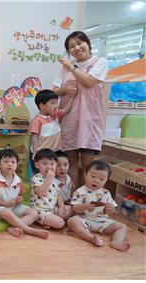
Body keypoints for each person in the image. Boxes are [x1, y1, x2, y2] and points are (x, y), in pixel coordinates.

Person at [53, 31, 109, 186]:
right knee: (69, 163)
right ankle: (71, 200)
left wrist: (71, 67)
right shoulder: (64, 69)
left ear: (88, 43)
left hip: (89, 121)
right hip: (69, 120)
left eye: (79, 43)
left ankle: (88, 200)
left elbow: (89, 82)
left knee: (88, 164)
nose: (77, 48)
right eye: (72, 46)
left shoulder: (100, 62)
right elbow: (55, 90)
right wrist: (65, 90)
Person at [67, 160, 130, 251]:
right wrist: (85, 206)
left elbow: (112, 212)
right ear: (85, 175)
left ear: (106, 180)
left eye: (101, 179)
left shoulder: (106, 193)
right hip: (84, 219)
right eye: (93, 176)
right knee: (71, 221)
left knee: (122, 226)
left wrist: (110, 208)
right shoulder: (80, 191)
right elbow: (75, 209)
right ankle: (91, 238)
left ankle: (117, 241)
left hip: (101, 220)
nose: (96, 180)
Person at [0, 149, 49, 239]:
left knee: (34, 213)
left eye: (13, 162)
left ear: (17, 165)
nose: (10, 164)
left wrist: (20, 199)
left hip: (14, 206)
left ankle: (12, 227)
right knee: (7, 212)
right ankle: (29, 230)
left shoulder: (18, 180)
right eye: (6, 161)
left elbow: (21, 195)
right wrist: (5, 204)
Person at [30, 89, 74, 159]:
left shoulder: (54, 115)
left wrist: (71, 97)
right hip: (41, 154)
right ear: (42, 106)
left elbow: (66, 110)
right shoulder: (37, 120)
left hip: (55, 152)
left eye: (56, 103)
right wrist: (35, 152)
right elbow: (34, 137)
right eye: (53, 103)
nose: (56, 106)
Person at [29, 148, 67, 230]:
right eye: (45, 163)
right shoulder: (36, 178)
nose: (49, 167)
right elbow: (40, 193)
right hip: (40, 211)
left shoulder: (54, 179)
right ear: (37, 165)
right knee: (60, 223)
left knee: (70, 209)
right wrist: (48, 179)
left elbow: (58, 195)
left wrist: (62, 206)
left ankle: (49, 221)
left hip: (52, 210)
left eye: (52, 164)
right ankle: (39, 220)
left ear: (56, 165)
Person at [55, 151, 74, 217]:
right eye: (58, 165)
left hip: (67, 203)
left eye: (65, 165)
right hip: (56, 205)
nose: (62, 168)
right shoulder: (52, 180)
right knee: (62, 212)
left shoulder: (68, 178)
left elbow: (71, 191)